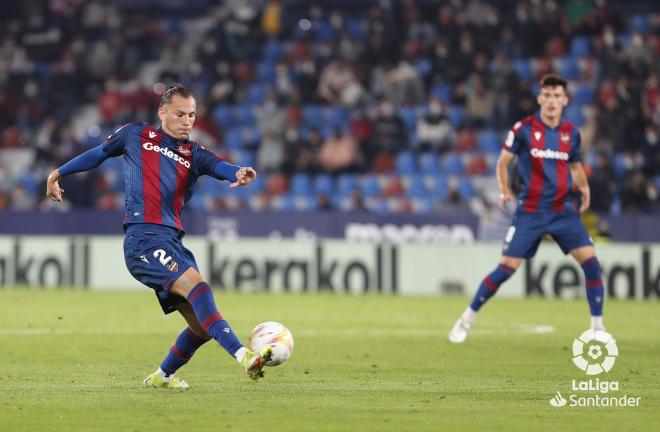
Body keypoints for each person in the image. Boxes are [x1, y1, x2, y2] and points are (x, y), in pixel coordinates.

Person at [46, 85, 272, 387]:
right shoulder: (135, 135)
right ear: (162, 113)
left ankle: (162, 376)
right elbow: (98, 154)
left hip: (172, 242)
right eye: (180, 114)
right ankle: (245, 356)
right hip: (143, 240)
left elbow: (220, 166)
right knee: (199, 287)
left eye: (192, 114)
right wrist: (57, 173)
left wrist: (238, 172)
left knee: (201, 326)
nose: (187, 120)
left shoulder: (194, 153)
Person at [449, 74, 606, 343]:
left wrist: (585, 188)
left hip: (562, 211)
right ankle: (467, 318)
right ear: (539, 99)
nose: (552, 101)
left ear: (565, 100)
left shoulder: (571, 134)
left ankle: (597, 328)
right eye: (547, 95)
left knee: (592, 264)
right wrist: (503, 189)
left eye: (557, 96)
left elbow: (576, 167)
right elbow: (502, 163)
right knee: (505, 269)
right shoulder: (523, 129)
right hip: (530, 211)